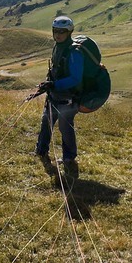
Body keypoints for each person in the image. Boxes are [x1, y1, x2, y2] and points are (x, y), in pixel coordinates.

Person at [33, 15, 105, 164]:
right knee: (46, 121)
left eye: (62, 32)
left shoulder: (75, 53)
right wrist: (48, 83)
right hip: (54, 95)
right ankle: (41, 150)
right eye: (56, 31)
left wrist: (54, 85)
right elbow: (56, 69)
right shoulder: (58, 48)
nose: (58, 35)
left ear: (69, 32)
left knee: (65, 127)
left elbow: (75, 79)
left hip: (69, 98)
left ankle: (69, 158)